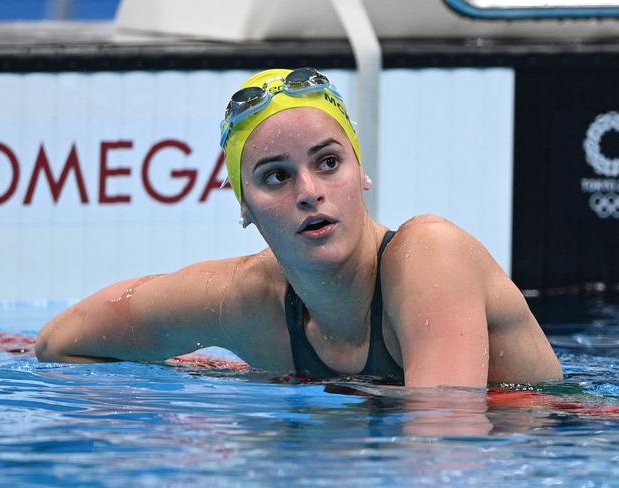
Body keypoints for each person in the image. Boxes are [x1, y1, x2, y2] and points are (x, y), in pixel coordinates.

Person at [35, 67, 563, 388]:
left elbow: (444, 451)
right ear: (245, 207)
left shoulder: (430, 256)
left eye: (329, 162)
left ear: (362, 173)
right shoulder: (242, 301)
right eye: (276, 176)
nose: (309, 190)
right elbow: (60, 342)